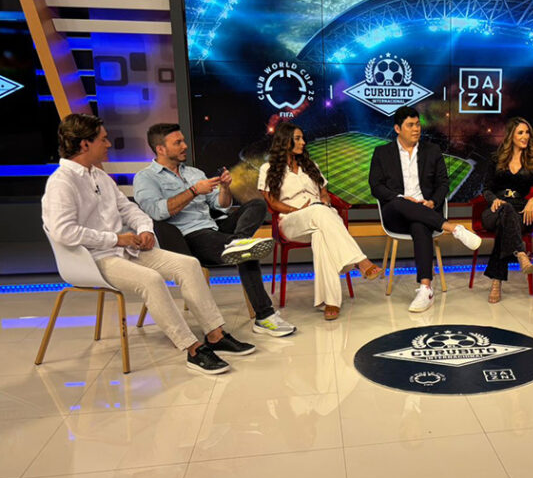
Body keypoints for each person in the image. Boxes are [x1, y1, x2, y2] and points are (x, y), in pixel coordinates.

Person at [42, 114, 255, 374]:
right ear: (85, 144)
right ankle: (192, 349)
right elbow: (64, 232)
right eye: (103, 139)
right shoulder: (61, 182)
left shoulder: (99, 176)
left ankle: (215, 334)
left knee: (188, 265)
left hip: (124, 249)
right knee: (151, 280)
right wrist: (116, 238)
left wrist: (144, 230)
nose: (108, 144)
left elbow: (129, 209)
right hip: (92, 259)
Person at [133, 123, 296, 337]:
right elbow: (157, 212)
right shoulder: (145, 178)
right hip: (187, 237)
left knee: (257, 205)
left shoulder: (195, 173)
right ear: (160, 149)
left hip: (214, 226)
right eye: (178, 142)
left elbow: (222, 205)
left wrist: (225, 189)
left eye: (183, 141)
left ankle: (238, 242)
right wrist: (193, 191)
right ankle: (264, 316)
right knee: (247, 252)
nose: (185, 146)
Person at [259, 122, 383, 320]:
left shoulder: (310, 166)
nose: (303, 142)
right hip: (291, 221)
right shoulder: (268, 168)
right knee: (319, 212)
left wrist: (324, 200)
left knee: (320, 234)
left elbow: (323, 191)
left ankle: (331, 302)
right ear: (285, 141)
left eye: (302, 138)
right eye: (298, 139)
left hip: (320, 217)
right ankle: (360, 260)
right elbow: (271, 202)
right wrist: (296, 210)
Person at [368, 106, 483, 312]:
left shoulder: (432, 150)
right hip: (395, 213)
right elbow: (376, 186)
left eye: (418, 124)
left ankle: (425, 289)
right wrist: (401, 199)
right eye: (410, 125)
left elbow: (443, 184)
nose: (416, 129)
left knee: (419, 224)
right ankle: (453, 228)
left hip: (426, 211)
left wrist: (432, 202)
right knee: (400, 201)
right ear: (397, 128)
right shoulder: (382, 153)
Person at [480, 117, 533, 303]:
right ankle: (521, 253)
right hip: (495, 210)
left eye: (527, 132)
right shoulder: (496, 159)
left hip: (521, 211)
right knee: (504, 210)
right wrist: (494, 199)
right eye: (520, 132)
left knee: (505, 224)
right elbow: (486, 189)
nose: (525, 136)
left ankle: (496, 282)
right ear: (511, 136)